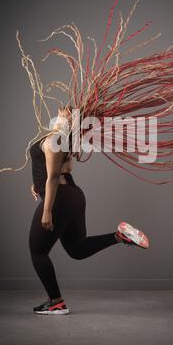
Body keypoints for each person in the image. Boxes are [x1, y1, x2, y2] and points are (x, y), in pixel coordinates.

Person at [29, 106, 150, 315]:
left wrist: (47, 210)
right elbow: (57, 170)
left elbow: (54, 177)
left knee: (38, 251)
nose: (60, 111)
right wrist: (37, 186)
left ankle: (56, 302)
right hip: (73, 197)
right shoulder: (62, 140)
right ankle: (120, 236)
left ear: (70, 120)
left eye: (65, 112)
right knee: (77, 249)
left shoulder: (55, 141)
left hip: (61, 198)